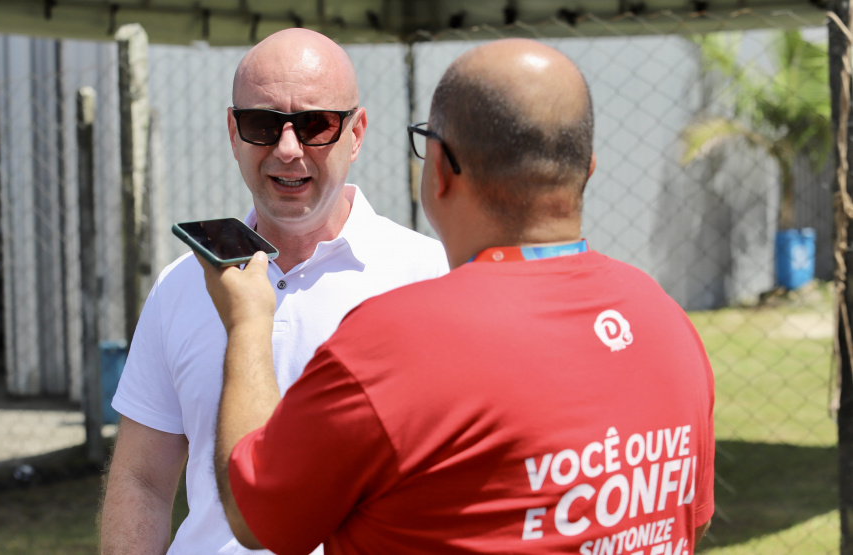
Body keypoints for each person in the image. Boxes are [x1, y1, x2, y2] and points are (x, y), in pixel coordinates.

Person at [199, 38, 715, 554]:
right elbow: (690, 523)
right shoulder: (666, 324)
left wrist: (247, 323)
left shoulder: (394, 341)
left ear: (441, 170)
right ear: (588, 169)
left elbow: (255, 513)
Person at [99, 28, 449, 555]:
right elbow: (142, 481)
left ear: (356, 133)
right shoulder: (181, 284)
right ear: (233, 133)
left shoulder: (428, 277)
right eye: (263, 125)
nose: (288, 149)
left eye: (315, 125)